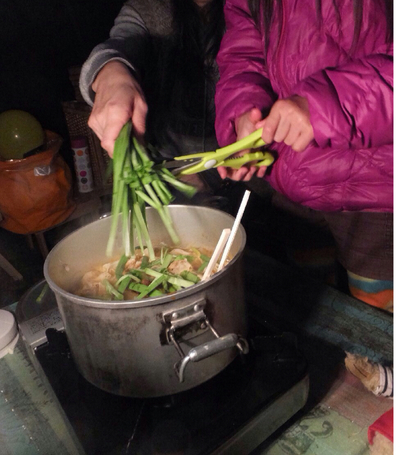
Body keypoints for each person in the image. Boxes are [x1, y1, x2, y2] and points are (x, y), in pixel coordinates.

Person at [214, 0, 393, 311]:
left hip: (377, 198)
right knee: (313, 314)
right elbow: (243, 55)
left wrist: (324, 107)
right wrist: (244, 113)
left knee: (376, 333)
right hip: (296, 188)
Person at [79, 0, 228, 199]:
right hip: (161, 180)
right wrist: (111, 74)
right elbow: (120, 43)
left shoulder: (247, 10)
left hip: (239, 179)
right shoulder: (146, 9)